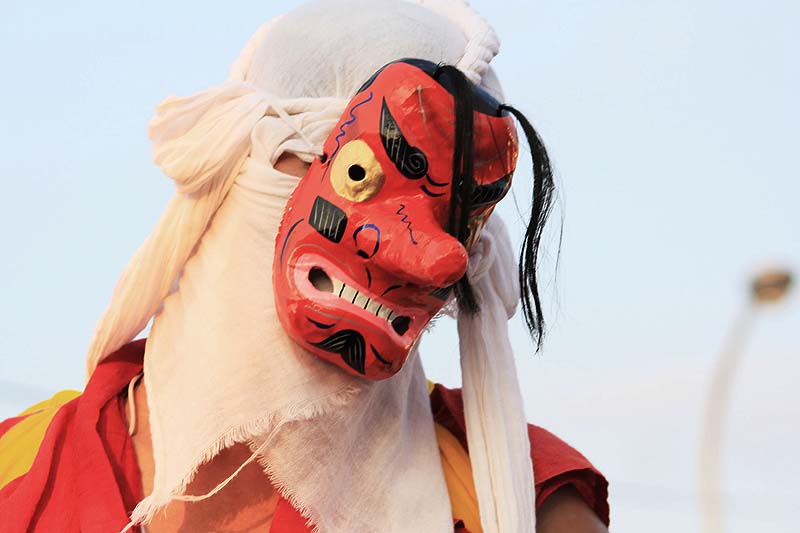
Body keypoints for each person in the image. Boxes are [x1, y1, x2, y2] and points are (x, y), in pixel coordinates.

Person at [0, 1, 610, 531]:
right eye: (360, 175)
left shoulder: (530, 504)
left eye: (456, 220)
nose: (429, 255)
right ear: (236, 166)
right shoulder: (15, 472)